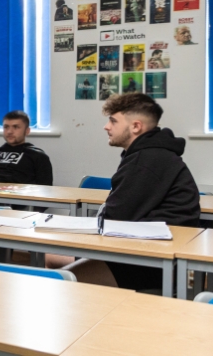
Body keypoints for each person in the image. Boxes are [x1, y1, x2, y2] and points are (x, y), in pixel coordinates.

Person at [65, 93, 200, 291]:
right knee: (55, 259)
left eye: (113, 121)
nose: (106, 127)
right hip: (141, 250)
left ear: (136, 126)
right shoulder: (148, 153)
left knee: (60, 279)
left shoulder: (146, 160)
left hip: (151, 261)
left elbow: (114, 218)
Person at [0, 110, 53, 186]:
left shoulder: (37, 156)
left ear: (27, 131)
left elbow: (45, 189)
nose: (9, 131)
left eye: (16, 127)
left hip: (12, 196)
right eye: (6, 127)